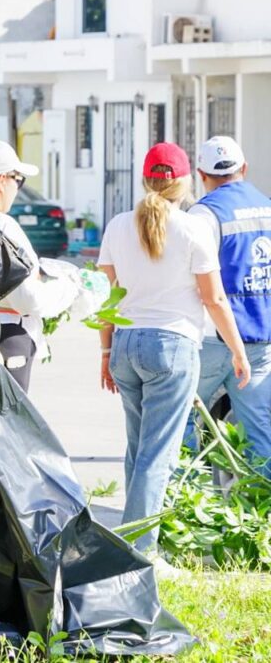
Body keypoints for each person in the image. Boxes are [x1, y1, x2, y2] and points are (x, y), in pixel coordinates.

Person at [98, 142, 251, 553]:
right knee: (157, 454)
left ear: (145, 179)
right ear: (184, 182)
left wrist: (105, 352)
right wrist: (237, 350)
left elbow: (107, 298)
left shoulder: (117, 225)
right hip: (172, 346)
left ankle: (130, 541)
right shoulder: (192, 227)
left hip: (127, 344)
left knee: (138, 448)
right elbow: (214, 299)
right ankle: (139, 550)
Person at [0, 140, 75, 392]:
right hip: (8, 337)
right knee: (7, 425)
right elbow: (27, 298)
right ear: (0, 181)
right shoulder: (1, 226)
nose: (17, 188)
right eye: (17, 179)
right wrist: (69, 288)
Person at [189, 136, 271, 474]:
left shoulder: (203, 214)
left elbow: (195, 278)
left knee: (180, 418)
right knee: (259, 433)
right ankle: (262, 513)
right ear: (244, 168)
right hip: (261, 337)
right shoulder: (267, 206)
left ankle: (184, 510)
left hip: (212, 336)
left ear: (201, 174)